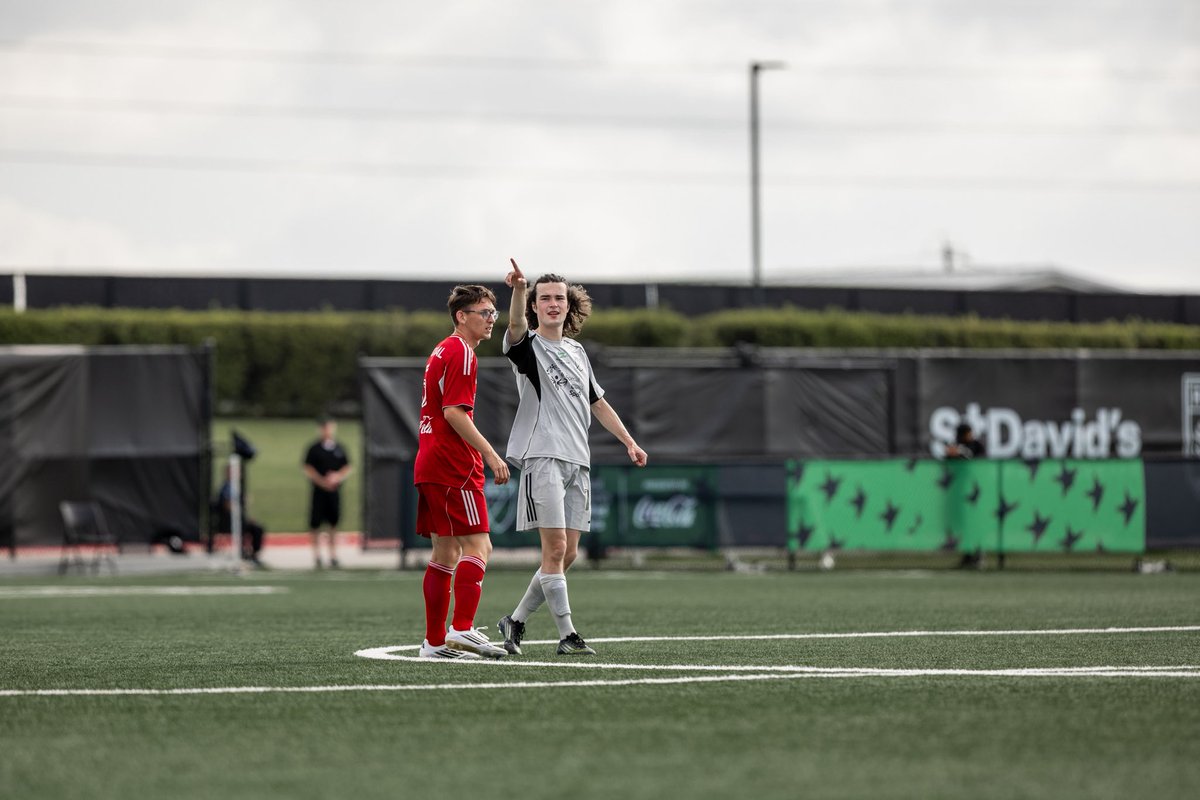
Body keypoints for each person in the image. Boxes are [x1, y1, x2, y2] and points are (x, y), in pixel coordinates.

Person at [496, 259, 647, 657]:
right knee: (555, 549)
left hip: (578, 462)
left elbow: (598, 403)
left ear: (569, 305)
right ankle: (568, 634)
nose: (552, 304)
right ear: (534, 306)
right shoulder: (528, 346)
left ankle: (514, 621)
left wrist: (629, 441)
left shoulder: (578, 351)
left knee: (569, 554)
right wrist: (517, 289)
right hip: (543, 457)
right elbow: (512, 328)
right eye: (543, 298)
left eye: (559, 298)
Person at [413, 284, 512, 660]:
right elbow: (454, 412)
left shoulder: (441, 348)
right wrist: (489, 453)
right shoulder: (462, 352)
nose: (490, 320)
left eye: (493, 313)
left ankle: (435, 643)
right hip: (454, 464)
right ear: (462, 316)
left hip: (429, 460)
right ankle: (464, 628)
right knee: (479, 545)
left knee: (445, 551)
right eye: (484, 313)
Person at [302, 416, 352, 569]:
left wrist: (336, 477)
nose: (327, 430)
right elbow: (307, 468)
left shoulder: (339, 448)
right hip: (319, 491)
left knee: (333, 523)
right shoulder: (314, 448)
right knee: (315, 523)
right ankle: (317, 556)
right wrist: (322, 481)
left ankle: (333, 555)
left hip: (334, 491)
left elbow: (347, 467)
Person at [216, 465, 266, 566]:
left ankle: (253, 554)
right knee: (249, 528)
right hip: (228, 521)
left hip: (238, 520)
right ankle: (244, 553)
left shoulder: (236, 487)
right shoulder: (227, 487)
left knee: (257, 528)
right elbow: (227, 506)